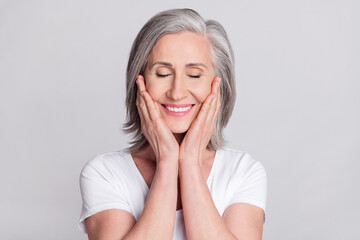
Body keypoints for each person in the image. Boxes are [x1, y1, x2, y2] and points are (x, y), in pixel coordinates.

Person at [78, 8, 267, 240]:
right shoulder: (105, 174)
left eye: (195, 75)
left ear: (218, 87)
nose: (177, 93)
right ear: (140, 83)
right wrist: (168, 161)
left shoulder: (243, 172)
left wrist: (189, 163)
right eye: (162, 74)